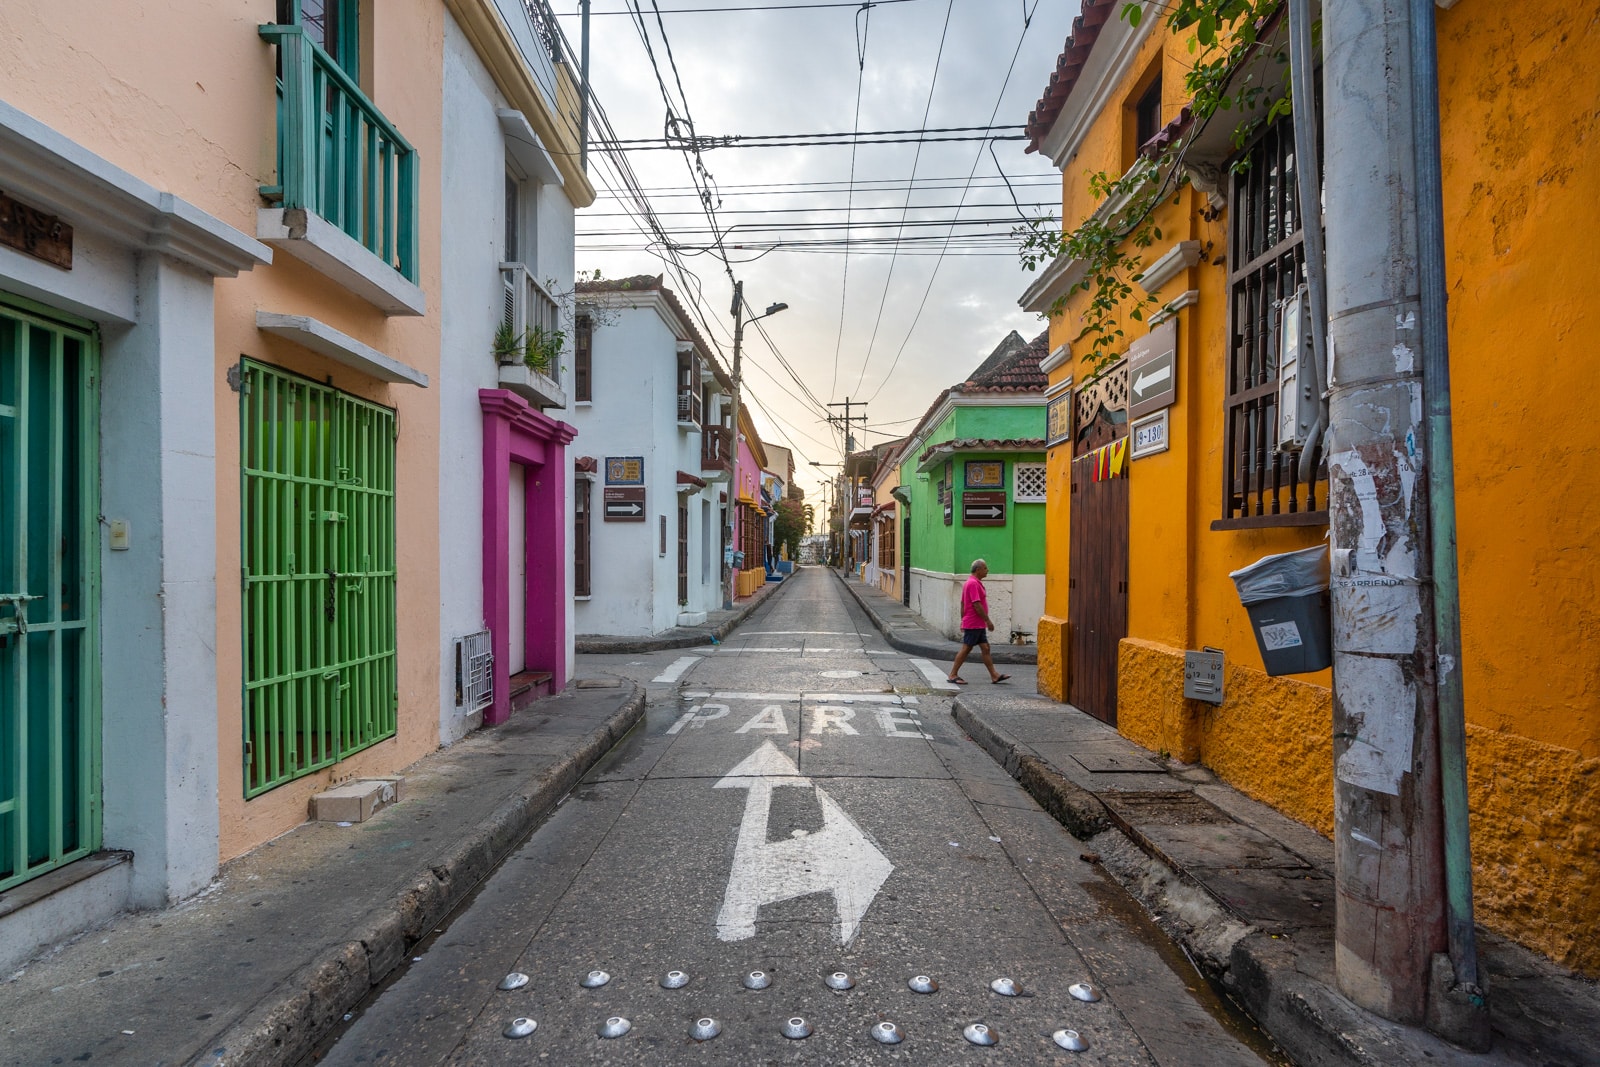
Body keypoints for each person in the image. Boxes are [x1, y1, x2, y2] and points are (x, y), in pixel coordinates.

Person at [947, 559, 1009, 685]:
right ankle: (953, 674)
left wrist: (962, 620)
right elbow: (976, 604)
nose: (987, 570)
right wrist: (988, 620)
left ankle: (994, 675)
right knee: (966, 648)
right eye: (985, 568)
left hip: (976, 623)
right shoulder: (973, 584)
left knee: (985, 648)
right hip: (974, 623)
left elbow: (963, 603)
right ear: (978, 570)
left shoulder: (973, 583)